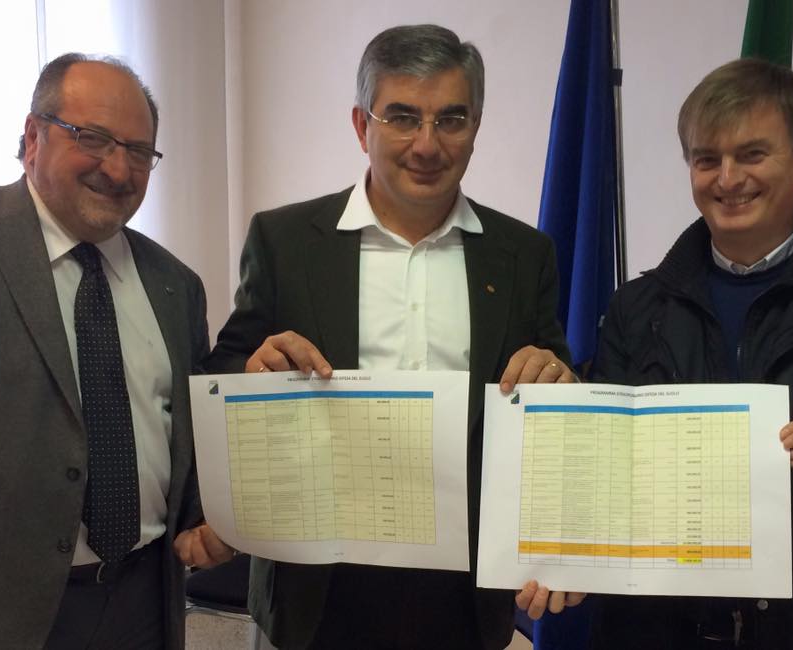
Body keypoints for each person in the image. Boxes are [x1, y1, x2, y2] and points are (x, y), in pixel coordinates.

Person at [207, 23, 581, 650]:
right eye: (402, 117)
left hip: (464, 597)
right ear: (362, 126)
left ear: (475, 126)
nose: (427, 144)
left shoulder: (524, 254)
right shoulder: (285, 241)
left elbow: (554, 400)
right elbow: (223, 370)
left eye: (451, 119)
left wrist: (559, 378)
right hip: (315, 592)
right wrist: (252, 371)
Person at [592, 57, 793, 649]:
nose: (728, 178)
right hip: (656, 633)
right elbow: (603, 477)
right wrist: (561, 561)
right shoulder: (636, 308)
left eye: (752, 154)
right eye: (706, 159)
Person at [0, 53, 231, 649]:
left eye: (139, 151)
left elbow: (179, 437)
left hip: (145, 599)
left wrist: (208, 515)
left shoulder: (175, 285)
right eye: (93, 138)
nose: (119, 168)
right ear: (33, 137)